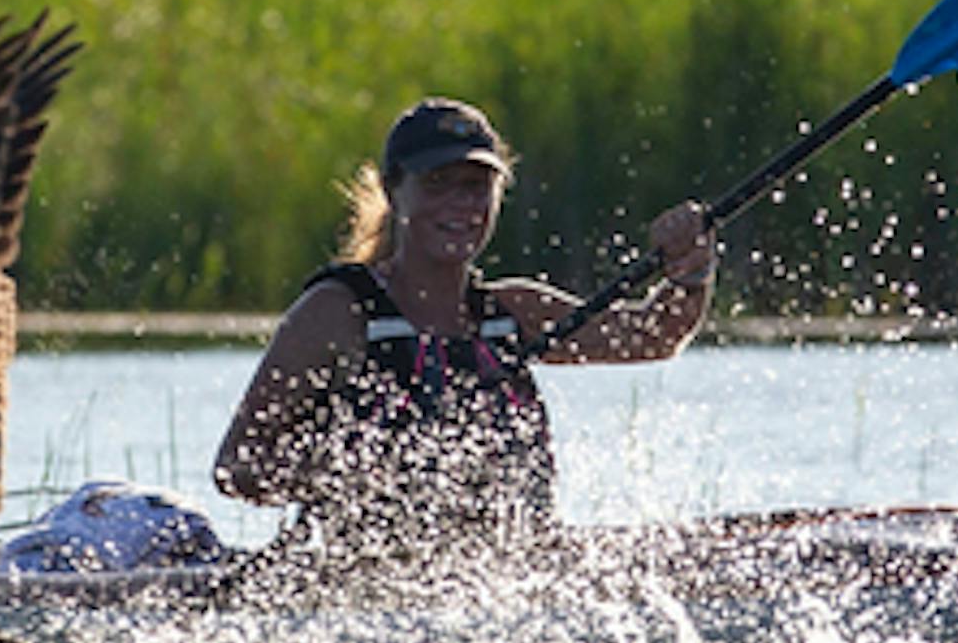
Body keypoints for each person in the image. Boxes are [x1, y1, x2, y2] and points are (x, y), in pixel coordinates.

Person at [212, 97, 715, 591]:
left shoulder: (514, 311)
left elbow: (654, 336)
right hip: (367, 590)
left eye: (476, 188)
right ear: (394, 190)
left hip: (509, 587)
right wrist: (356, 477)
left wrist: (691, 271)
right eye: (438, 185)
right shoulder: (336, 313)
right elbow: (236, 467)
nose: (461, 206)